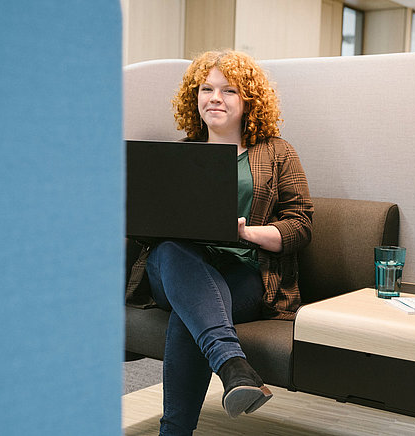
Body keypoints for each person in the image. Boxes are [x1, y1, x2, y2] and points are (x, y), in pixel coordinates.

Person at [127, 50, 313, 436]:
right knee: (171, 252)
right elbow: (147, 232)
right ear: (193, 98)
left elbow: (300, 226)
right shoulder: (177, 155)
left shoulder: (278, 152)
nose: (216, 97)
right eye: (207, 88)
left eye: (229, 90)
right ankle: (233, 367)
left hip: (246, 274)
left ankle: (180, 425)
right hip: (176, 264)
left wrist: (247, 233)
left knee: (190, 310)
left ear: (248, 101)